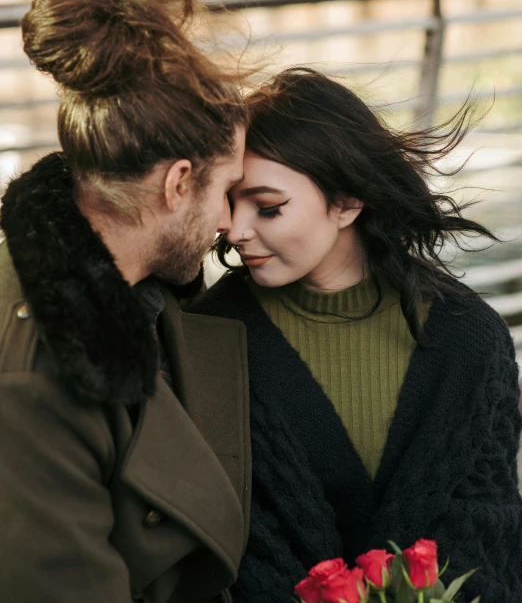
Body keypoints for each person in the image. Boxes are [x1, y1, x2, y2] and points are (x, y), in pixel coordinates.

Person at [190, 67, 522, 603]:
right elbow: (222, 543)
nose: (235, 229)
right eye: (231, 201)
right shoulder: (208, 337)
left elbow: (488, 524)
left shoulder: (470, 339)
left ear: (346, 202)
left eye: (268, 206)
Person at [0, 0, 253, 603]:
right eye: (226, 193)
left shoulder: (139, 296)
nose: (230, 224)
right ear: (177, 184)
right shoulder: (33, 378)